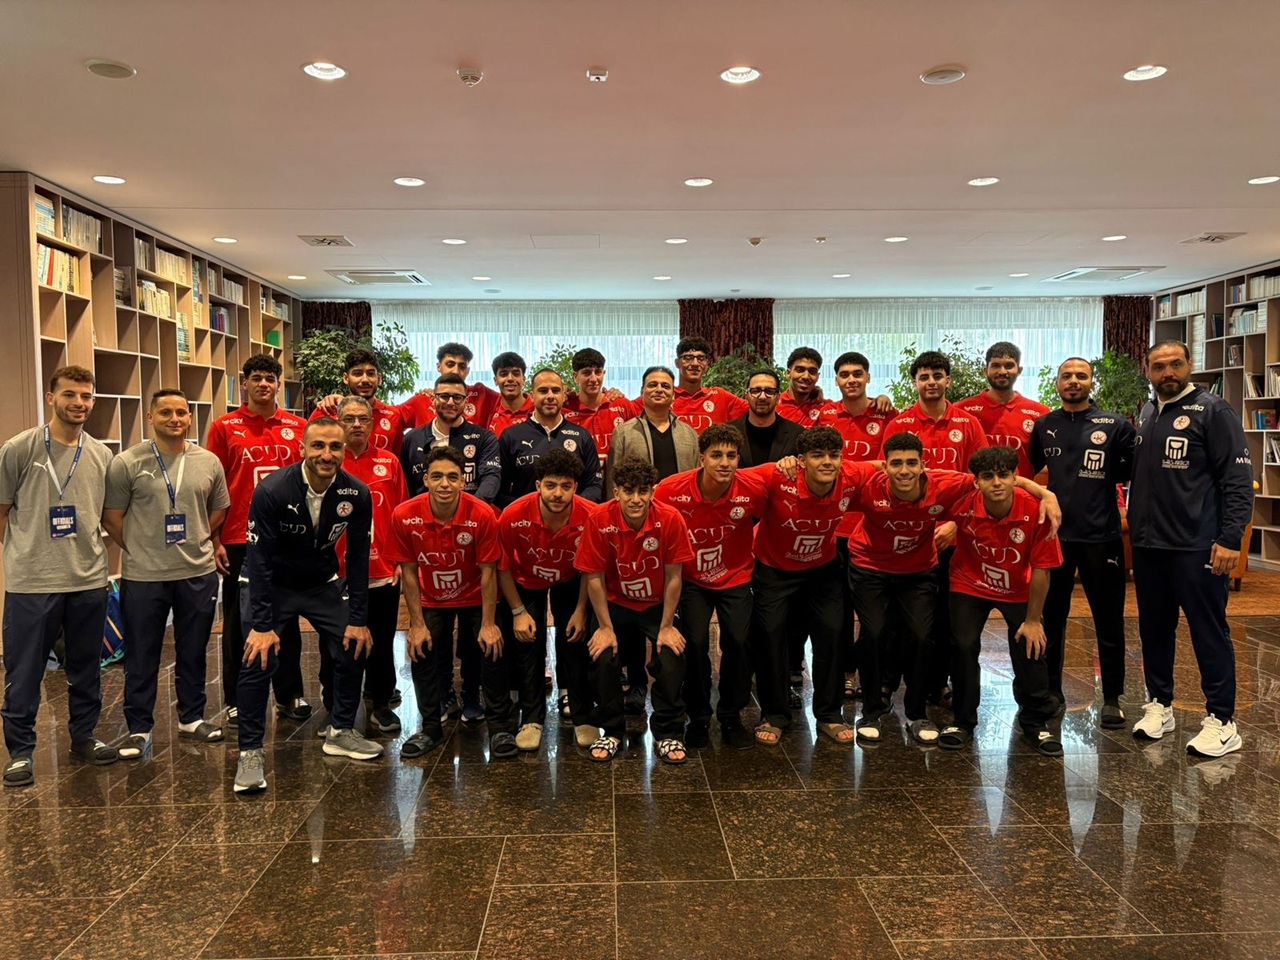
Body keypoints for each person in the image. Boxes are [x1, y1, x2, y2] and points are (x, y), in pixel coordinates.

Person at [233, 418, 379, 794]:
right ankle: (250, 752)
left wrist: (358, 619)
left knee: (355, 642)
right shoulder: (272, 490)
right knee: (257, 656)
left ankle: (341, 730)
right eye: (318, 446)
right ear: (302, 449)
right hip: (270, 583)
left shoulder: (356, 493)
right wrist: (262, 626)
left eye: (335, 447)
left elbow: (358, 560)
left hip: (320, 582)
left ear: (344, 451)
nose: (326, 455)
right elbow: (259, 561)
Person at [1128, 340, 1254, 757]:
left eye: (1175, 364)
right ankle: (1159, 705)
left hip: (1197, 546)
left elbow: (1237, 480)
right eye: (1159, 366)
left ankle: (1222, 720)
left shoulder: (1214, 411)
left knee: (1207, 631)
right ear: (1148, 370)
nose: (1168, 372)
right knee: (1154, 629)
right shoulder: (1149, 412)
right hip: (1150, 546)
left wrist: (1230, 538)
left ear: (1189, 365)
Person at [1, 365, 117, 786]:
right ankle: (20, 753)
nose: (78, 403)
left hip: (87, 579)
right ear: (51, 398)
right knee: (24, 671)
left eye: (86, 396)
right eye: (69, 394)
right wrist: (19, 560)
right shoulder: (19, 449)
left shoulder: (102, 455)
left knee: (86, 668)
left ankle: (83, 737)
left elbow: (107, 515)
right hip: (33, 583)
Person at [102, 389, 230, 759]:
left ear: (189, 417)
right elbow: (112, 517)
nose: (174, 419)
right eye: (165, 412)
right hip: (145, 576)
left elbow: (219, 508)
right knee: (142, 654)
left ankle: (191, 718)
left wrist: (199, 537)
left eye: (181, 412)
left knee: (194, 649)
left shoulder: (208, 461)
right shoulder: (127, 462)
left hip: (196, 571)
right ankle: (139, 728)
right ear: (151, 418)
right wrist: (141, 548)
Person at [744, 426, 879, 746]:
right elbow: (728, 477)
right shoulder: (777, 475)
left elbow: (884, 466)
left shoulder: (851, 474)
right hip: (774, 569)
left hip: (822, 568)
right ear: (801, 460)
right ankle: (775, 715)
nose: (827, 462)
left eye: (834, 455)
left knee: (832, 632)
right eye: (817, 456)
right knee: (770, 635)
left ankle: (830, 714)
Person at [938, 446, 1064, 756]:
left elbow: (1042, 570)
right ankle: (962, 721)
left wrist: (1033, 620)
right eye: (988, 476)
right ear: (976, 481)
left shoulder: (1038, 511)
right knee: (963, 645)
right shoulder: (962, 504)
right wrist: (947, 525)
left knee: (1031, 643)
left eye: (1003, 475)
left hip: (1018, 588)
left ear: (1015, 478)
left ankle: (1035, 721)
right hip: (969, 583)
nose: (996, 483)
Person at [1030, 357, 1135, 729]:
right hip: (1056, 538)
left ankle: (1113, 698)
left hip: (1102, 538)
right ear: (1057, 383)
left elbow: (1130, 470)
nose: (1073, 381)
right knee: (1052, 619)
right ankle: (1051, 692)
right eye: (1067, 376)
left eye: (1081, 375)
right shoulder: (1044, 425)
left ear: (1092, 382)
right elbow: (1033, 471)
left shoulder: (1116, 425)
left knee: (1108, 621)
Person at [206, 354, 310, 727]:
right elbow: (213, 486)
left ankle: (289, 694)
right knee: (240, 619)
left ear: (278, 384)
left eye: (270, 378)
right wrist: (215, 538)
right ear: (245, 383)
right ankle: (237, 699)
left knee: (286, 618)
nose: (263, 384)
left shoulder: (298, 426)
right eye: (256, 378)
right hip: (239, 536)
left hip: (289, 536)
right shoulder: (224, 427)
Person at [881, 350, 988, 708]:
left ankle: (936, 682)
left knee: (943, 615)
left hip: (952, 538)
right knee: (898, 614)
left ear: (947, 381)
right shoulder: (899, 424)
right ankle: (887, 682)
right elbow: (887, 479)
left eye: (937, 376)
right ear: (915, 382)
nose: (931, 382)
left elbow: (979, 481)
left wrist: (956, 524)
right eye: (924, 376)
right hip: (908, 536)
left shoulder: (968, 424)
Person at [387, 446, 503, 760]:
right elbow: (409, 572)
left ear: (463, 481)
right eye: (436, 476)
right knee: (421, 647)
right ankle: (430, 728)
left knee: (491, 645)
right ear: (425, 479)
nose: (444, 484)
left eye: (453, 477)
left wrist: (489, 624)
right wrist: (416, 624)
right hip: (431, 597)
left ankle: (498, 725)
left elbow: (489, 572)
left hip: (474, 594)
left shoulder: (482, 514)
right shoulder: (404, 515)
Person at [655, 424, 767, 749]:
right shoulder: (671, 489)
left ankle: (731, 715)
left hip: (735, 576)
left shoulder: (752, 489)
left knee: (739, 642)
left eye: (731, 456)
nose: (724, 462)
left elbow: (772, 516)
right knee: (695, 643)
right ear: (701, 458)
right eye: (716, 455)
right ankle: (699, 717)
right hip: (691, 580)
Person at [575, 457, 693, 763]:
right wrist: (604, 627)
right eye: (629, 491)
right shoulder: (599, 518)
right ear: (617, 492)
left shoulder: (670, 518)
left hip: (657, 605)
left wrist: (666, 627)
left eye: (643, 491)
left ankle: (668, 732)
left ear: (653, 492)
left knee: (672, 656)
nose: (636, 498)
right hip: (615, 603)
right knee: (602, 656)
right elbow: (594, 577)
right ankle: (612, 730)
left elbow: (674, 576)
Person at [496, 449, 594, 751]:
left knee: (575, 640)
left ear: (576, 487)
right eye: (550, 485)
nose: (558, 493)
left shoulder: (591, 514)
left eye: (566, 486)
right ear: (538, 485)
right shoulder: (513, 514)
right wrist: (518, 611)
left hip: (571, 579)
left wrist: (581, 610)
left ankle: (582, 715)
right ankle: (531, 719)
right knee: (528, 643)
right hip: (526, 580)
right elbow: (502, 567)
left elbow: (592, 569)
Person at [815, 351, 897, 700]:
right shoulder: (825, 416)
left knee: (873, 610)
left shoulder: (886, 415)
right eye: (845, 374)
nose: (851, 379)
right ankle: (846, 673)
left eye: (857, 374)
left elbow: (895, 463)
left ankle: (872, 672)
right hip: (834, 528)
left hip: (874, 525)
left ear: (868, 377)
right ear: (836, 380)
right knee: (841, 608)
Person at [332, 395, 408, 736]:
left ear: (372, 424)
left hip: (383, 570)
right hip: (337, 572)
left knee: (381, 639)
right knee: (337, 643)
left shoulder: (389, 462)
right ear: (339, 422)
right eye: (349, 419)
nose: (356, 425)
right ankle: (336, 707)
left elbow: (401, 513)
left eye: (363, 419)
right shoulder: (329, 462)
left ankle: (380, 703)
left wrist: (401, 560)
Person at [496, 369, 602, 508]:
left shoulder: (582, 436)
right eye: (543, 391)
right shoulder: (511, 436)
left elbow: (594, 485)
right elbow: (499, 490)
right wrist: (528, 509)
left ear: (563, 396)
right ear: (532, 396)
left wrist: (569, 508)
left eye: (556, 391)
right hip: (526, 519)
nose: (550, 396)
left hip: (573, 519)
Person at [956, 342, 1051, 479]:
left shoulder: (1040, 412)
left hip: (1020, 489)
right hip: (974, 489)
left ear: (1019, 370)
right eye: (995, 365)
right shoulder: (961, 410)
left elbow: (1047, 460)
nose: (1002, 372)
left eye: (1009, 365)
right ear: (985, 371)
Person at [401, 373, 500, 502]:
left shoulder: (484, 439)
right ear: (433, 399)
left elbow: (491, 478)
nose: (450, 402)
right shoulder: (412, 439)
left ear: (465, 402)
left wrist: (471, 510)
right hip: (422, 513)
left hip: (470, 512)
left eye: (457, 397)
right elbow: (404, 487)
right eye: (444, 396)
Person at [607, 365, 700, 496]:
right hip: (637, 506)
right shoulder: (624, 433)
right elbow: (613, 481)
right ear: (642, 392)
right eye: (652, 385)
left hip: (680, 506)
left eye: (665, 386)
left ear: (673, 395)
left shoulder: (689, 434)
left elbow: (697, 479)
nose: (659, 390)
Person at [311, 348, 411, 451]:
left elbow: (395, 457)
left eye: (370, 374)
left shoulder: (393, 415)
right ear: (346, 378)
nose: (365, 380)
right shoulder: (326, 410)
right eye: (358, 374)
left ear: (379, 379)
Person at [562, 347, 640, 466]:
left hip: (617, 477)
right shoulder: (564, 410)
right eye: (586, 373)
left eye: (598, 372)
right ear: (575, 376)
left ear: (604, 374)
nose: (594, 379)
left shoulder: (622, 405)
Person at [398, 342, 501, 430]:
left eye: (462, 366)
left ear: (467, 371)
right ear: (439, 367)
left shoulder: (481, 395)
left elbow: (509, 406)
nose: (456, 371)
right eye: (450, 364)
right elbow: (392, 417)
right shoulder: (422, 399)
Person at [726, 369, 804, 468]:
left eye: (769, 391)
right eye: (756, 391)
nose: (762, 397)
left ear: (778, 398)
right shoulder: (727, 433)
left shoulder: (798, 435)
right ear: (746, 396)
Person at [670, 336, 748, 432]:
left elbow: (757, 408)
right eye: (688, 358)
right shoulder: (666, 396)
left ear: (707, 363)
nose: (695, 364)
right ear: (677, 363)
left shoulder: (720, 396)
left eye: (701, 358)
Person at [487, 351, 534, 437]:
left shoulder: (538, 409)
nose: (510, 379)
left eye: (516, 374)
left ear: (523, 379)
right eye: (504, 374)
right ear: (495, 381)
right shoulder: (489, 413)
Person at [777, 347, 826, 424]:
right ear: (788, 373)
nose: (806, 376)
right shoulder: (773, 404)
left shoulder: (826, 408)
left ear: (818, 376)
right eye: (800, 370)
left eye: (812, 371)